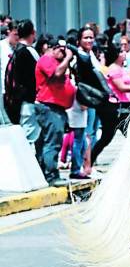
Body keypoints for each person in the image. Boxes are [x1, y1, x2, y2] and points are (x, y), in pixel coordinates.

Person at [74, 26, 120, 165]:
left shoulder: (91, 54)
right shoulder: (79, 56)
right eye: (86, 37)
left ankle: (89, 163)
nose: (89, 40)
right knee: (87, 133)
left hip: (98, 99)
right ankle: (84, 165)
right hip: (87, 100)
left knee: (97, 133)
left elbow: (101, 73)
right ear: (79, 40)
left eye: (91, 37)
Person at [34, 40, 75, 185]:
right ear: (54, 48)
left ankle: (46, 174)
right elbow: (57, 74)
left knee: (50, 141)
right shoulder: (47, 59)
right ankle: (51, 176)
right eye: (62, 51)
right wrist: (68, 58)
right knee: (53, 142)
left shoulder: (57, 61)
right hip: (48, 107)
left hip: (57, 107)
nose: (64, 54)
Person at [5, 20, 39, 142]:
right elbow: (39, 76)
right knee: (29, 137)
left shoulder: (16, 51)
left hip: (17, 101)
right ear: (33, 33)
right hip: (29, 101)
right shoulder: (29, 51)